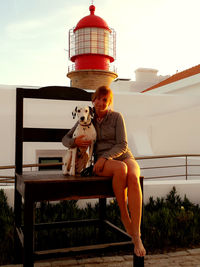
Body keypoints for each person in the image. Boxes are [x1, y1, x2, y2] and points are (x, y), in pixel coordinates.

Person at [62, 86, 146, 257]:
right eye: (97, 99)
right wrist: (75, 143)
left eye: (104, 100)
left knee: (133, 176)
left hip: (122, 155)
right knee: (121, 169)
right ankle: (124, 214)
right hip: (103, 163)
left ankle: (136, 235)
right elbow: (65, 139)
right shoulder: (87, 116)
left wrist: (106, 156)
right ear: (93, 100)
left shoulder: (116, 117)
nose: (100, 103)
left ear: (109, 103)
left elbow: (123, 144)